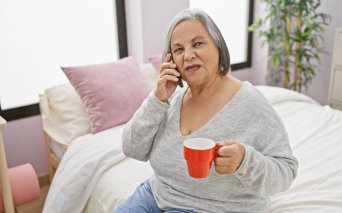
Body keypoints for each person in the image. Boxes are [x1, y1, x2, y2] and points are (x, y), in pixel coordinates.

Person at [113, 8, 298, 213]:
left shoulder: (250, 102)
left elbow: (286, 173)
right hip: (156, 195)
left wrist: (245, 161)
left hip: (212, 208)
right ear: (171, 60)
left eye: (198, 44)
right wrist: (157, 99)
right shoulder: (169, 99)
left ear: (218, 47)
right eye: (178, 49)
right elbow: (132, 149)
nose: (189, 55)